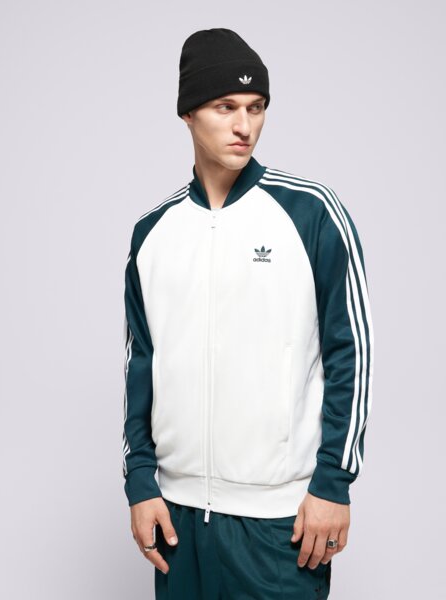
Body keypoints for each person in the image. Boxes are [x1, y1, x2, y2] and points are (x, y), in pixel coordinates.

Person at [121, 27, 374, 599]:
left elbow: (351, 353)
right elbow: (142, 365)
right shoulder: (152, 233)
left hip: (279, 524)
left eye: (256, 107)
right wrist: (139, 481)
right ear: (188, 113)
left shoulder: (311, 213)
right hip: (177, 520)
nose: (245, 126)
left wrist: (333, 483)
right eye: (225, 107)